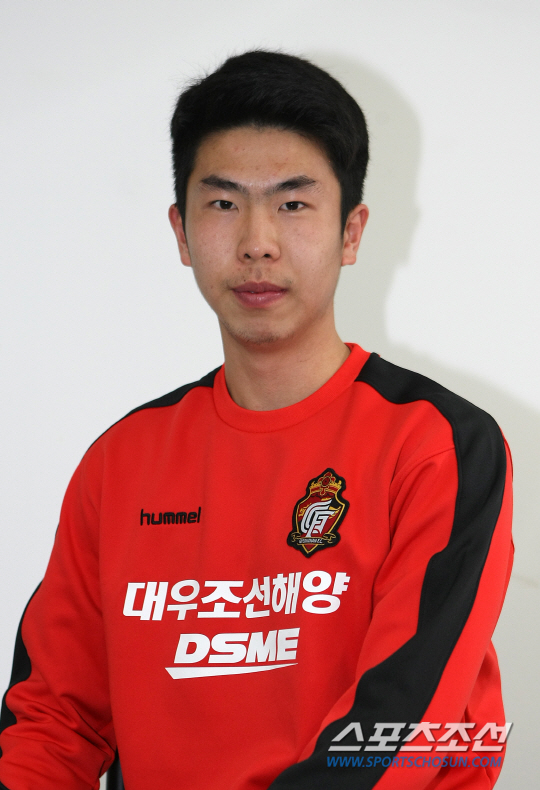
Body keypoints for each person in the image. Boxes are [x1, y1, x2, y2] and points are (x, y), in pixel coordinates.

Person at [0, 50, 513, 790]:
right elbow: (53, 719)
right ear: (181, 232)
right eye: (223, 204)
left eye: (293, 204)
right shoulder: (121, 462)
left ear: (351, 232)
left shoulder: (439, 445)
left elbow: (398, 734)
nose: (257, 242)